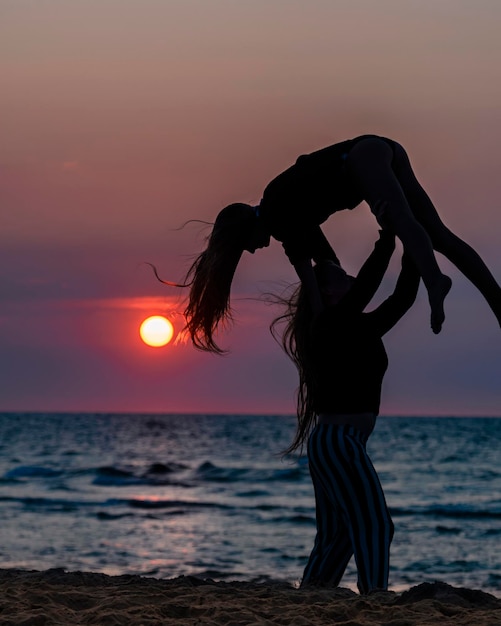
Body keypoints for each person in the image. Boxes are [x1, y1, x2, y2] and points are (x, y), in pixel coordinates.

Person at [182, 135, 501, 352]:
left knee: (405, 222)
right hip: (378, 150)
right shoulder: (288, 213)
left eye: (245, 246)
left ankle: (434, 281)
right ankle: (497, 304)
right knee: (438, 236)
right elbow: (327, 262)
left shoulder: (278, 214)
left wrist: (318, 326)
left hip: (361, 159)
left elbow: (308, 278)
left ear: (244, 232)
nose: (251, 250)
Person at [272, 230, 420, 594]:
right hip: (338, 443)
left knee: (338, 535)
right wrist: (387, 241)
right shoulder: (328, 325)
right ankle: (374, 598)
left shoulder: (359, 326)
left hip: (338, 443)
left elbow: (401, 297)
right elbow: (368, 285)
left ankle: (312, 595)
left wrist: (415, 248)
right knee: (375, 525)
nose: (347, 274)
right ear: (327, 293)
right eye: (338, 275)